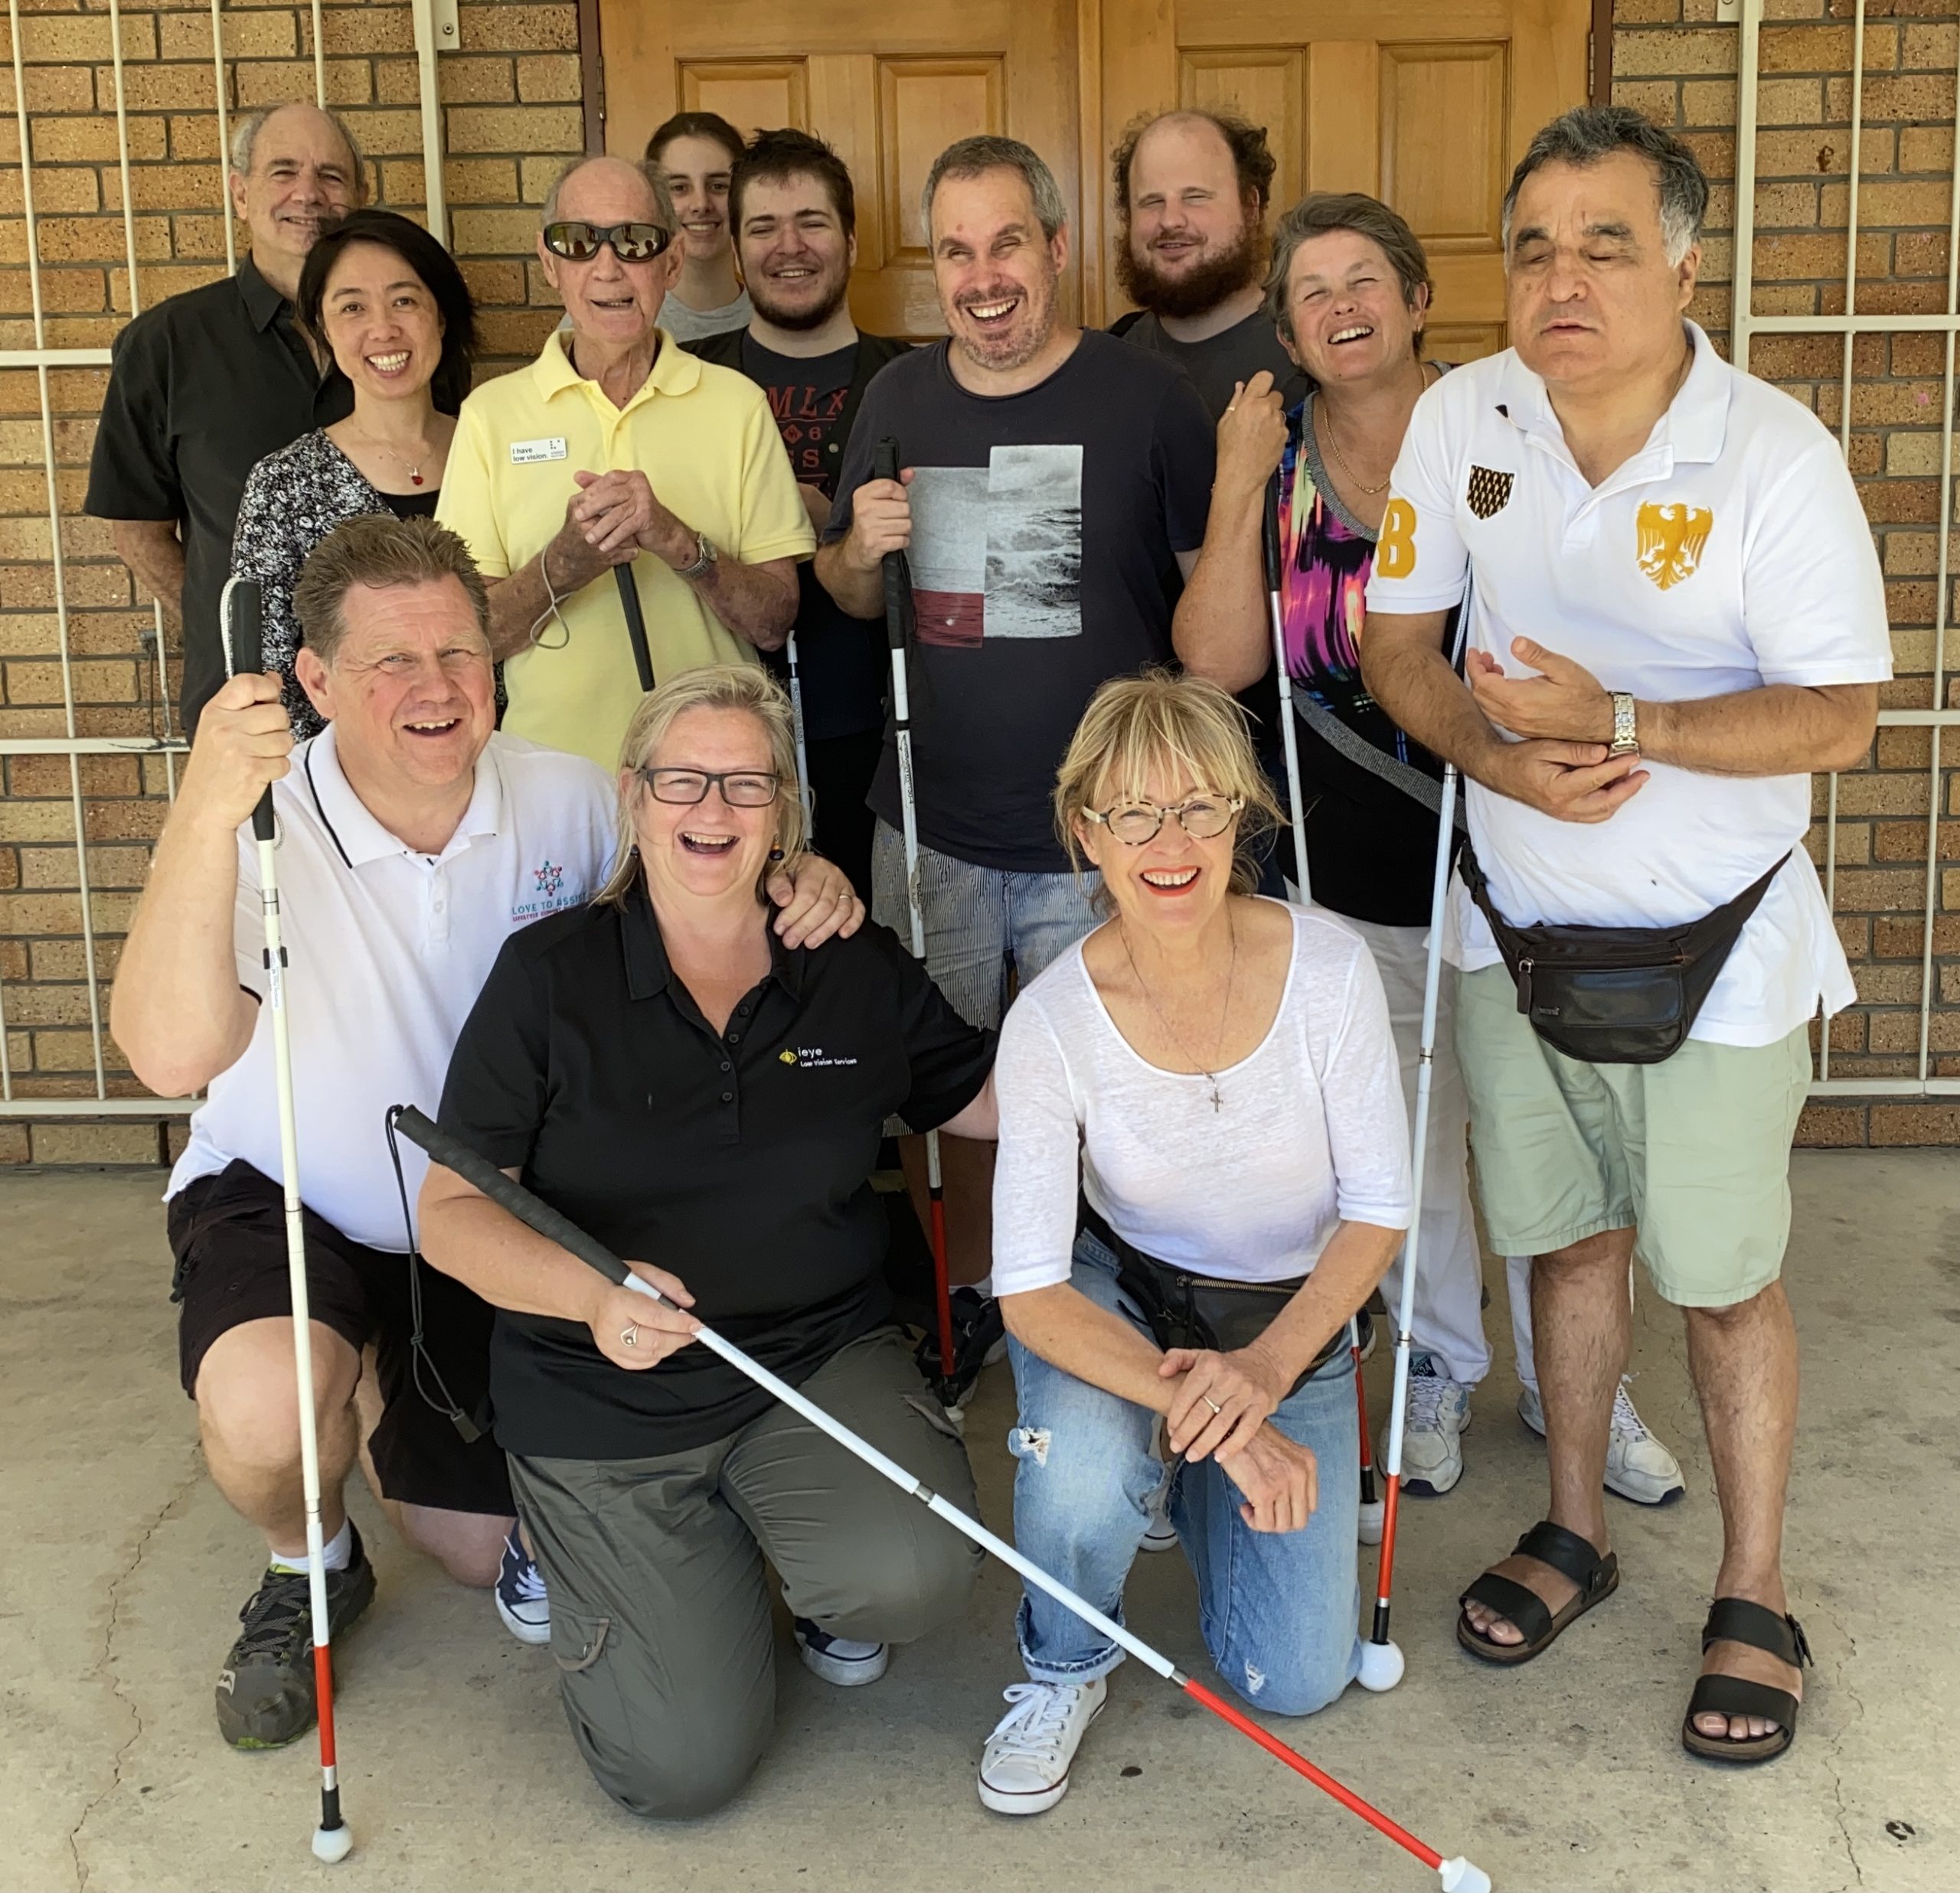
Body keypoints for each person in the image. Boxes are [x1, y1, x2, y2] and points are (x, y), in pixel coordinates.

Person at [107, 515, 861, 1752]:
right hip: (295, 1188)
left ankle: (387, 1404)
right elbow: (172, 1054)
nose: (434, 688)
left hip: (488, 1211)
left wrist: (801, 872)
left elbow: (706, 864)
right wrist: (202, 805)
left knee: (477, 1551)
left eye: (457, 652)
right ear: (313, 679)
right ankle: (310, 1559)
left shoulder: (562, 795)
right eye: (391, 662)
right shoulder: (254, 822)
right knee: (267, 1406)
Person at [1361, 106, 1888, 1761]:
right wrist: (1503, 754)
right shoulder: (1459, 416)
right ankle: (1572, 1526)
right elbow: (1395, 648)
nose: (1560, 279)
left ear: (1681, 258)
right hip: (1513, 931)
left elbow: (1843, 717)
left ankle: (1751, 1587)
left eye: (1602, 243)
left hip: (1717, 948)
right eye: (1530, 247)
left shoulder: (1771, 455)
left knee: (1723, 1280)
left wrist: (1629, 721)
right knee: (1561, 1243)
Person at [417, 664, 997, 1819]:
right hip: (604, 1398)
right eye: (684, 780)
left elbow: (987, 1103)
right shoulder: (549, 978)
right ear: (634, 796)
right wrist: (589, 1296)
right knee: (679, 1772)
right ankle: (584, 1546)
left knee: (919, 1574)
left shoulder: (848, 962)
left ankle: (772, 1550)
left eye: (746, 784)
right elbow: (451, 1212)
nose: (714, 811)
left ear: (786, 809)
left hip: (814, 1361)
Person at [1174, 192, 1684, 1505]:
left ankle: (1587, 1380)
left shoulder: (1505, 432)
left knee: (1546, 1132)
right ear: (1289, 328)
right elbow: (1219, 660)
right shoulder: (1274, 465)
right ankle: (1446, 1359)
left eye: (1365, 282)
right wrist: (1238, 480)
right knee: (1404, 1140)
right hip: (1348, 873)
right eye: (1312, 293)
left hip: (1520, 857)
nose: (1341, 308)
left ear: (1414, 300)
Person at [975, 671, 1410, 1815]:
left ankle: (1196, 1462)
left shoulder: (1330, 970)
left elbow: (1377, 1207)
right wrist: (1207, 1411)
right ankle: (1064, 1659)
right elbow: (1027, 1291)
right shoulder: (1050, 1022)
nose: (1169, 843)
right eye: (1133, 814)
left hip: (1287, 1322)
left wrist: (1261, 1381)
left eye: (1200, 807)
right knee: (1079, 1474)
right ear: (1088, 835)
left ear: (1241, 817)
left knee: (1295, 1680)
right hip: (1133, 1300)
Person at [815, 135, 1216, 1292]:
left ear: (1056, 246)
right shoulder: (896, 395)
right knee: (938, 1088)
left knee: (1103, 1087)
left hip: (1099, 839)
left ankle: (1096, 1299)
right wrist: (858, 546)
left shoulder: (1148, 399)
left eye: (1006, 244)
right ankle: (976, 1291)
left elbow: (1211, 610)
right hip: (930, 825)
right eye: (955, 251)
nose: (982, 276)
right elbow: (846, 592)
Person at [438, 155, 812, 775]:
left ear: (671, 263)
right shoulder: (491, 416)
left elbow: (775, 621)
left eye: (634, 243)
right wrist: (564, 564)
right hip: (551, 781)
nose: (608, 267)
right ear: (549, 263)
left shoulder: (736, 406)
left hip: (711, 782)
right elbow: (467, 641)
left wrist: (677, 540)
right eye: (579, 242)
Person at [86, 102, 363, 736]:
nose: (308, 195)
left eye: (331, 176)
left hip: (394, 707)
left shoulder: (407, 337)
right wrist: (233, 635)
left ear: (361, 197)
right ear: (239, 194)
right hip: (246, 710)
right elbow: (136, 530)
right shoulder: (167, 343)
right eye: (283, 172)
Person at [686, 128, 911, 893]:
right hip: (714, 736)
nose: (790, 246)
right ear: (736, 250)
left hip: (877, 735)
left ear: (849, 238)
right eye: (763, 227)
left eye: (811, 222)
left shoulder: (916, 380)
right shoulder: (685, 380)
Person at [233, 208, 478, 736]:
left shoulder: (491, 449)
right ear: (322, 328)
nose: (383, 329)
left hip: (506, 778)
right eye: (352, 307)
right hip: (345, 794)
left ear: (440, 316)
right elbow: (265, 669)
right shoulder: (284, 484)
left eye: (404, 300)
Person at [1110, 109, 1306, 421]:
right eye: (1151, 202)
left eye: (1196, 197)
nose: (1170, 219)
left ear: (1251, 207)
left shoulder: (1313, 356)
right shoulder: (1108, 360)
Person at [646, 109, 753, 344]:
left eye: (718, 186)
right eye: (679, 188)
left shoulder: (777, 319)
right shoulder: (609, 322)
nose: (701, 204)